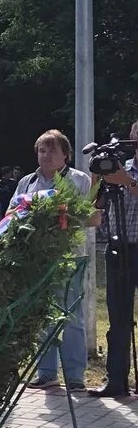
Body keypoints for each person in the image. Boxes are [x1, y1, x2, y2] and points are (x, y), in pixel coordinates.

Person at [16, 130, 98, 392]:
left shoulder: (79, 180)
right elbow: (11, 214)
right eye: (42, 150)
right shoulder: (28, 183)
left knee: (72, 317)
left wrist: (61, 216)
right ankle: (47, 372)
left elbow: (94, 218)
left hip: (70, 259)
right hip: (37, 260)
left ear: (66, 155)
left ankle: (75, 376)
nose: (46, 155)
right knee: (42, 316)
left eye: (52, 150)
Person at [92, 120, 138, 398]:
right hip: (120, 249)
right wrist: (98, 180)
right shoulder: (119, 169)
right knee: (118, 319)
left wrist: (128, 183)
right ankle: (116, 381)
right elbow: (94, 209)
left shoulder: (125, 176)